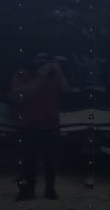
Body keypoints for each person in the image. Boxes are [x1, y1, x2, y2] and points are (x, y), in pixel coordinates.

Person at [9, 52, 69, 200]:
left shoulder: (53, 75)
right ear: (32, 58)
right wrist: (40, 76)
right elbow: (20, 96)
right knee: (28, 160)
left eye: (45, 58)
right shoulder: (22, 73)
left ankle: (50, 189)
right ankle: (27, 190)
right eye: (38, 57)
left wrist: (60, 72)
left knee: (51, 161)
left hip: (50, 124)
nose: (42, 60)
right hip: (28, 124)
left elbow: (65, 90)